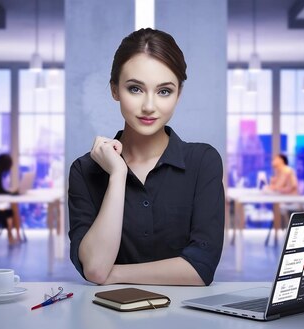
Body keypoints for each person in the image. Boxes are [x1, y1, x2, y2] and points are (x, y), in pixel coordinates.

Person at [68, 28, 224, 286]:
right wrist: (117, 175)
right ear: (115, 90)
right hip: (106, 319)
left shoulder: (203, 162)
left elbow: (201, 267)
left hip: (186, 322)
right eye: (135, 89)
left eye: (164, 91)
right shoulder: (85, 170)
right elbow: (95, 268)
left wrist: (114, 273)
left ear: (179, 94)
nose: (149, 106)